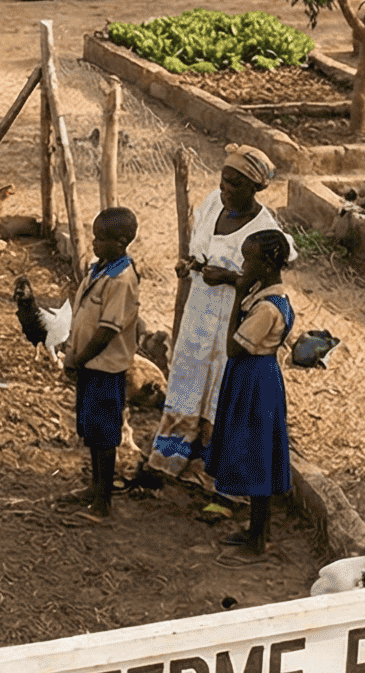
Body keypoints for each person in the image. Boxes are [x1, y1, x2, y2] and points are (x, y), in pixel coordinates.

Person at [145, 143, 283, 490]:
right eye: (223, 182)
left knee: (222, 388)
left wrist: (229, 279)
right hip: (199, 312)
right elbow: (200, 250)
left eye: (235, 185)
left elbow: (268, 278)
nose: (225, 191)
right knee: (188, 377)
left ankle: (211, 469)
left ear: (255, 188)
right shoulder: (211, 205)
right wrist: (189, 265)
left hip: (232, 323)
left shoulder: (265, 230)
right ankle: (173, 457)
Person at [208, 229, 297, 557]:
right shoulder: (269, 295)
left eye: (249, 259)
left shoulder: (267, 308)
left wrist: (236, 295)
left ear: (267, 263)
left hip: (255, 380)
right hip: (255, 376)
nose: (243, 266)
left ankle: (258, 541)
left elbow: (233, 347)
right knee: (255, 452)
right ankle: (257, 531)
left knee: (258, 456)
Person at [62, 208, 144, 518]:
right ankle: (96, 487)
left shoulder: (121, 280)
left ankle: (103, 502)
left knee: (105, 433)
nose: (94, 244)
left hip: (104, 368)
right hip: (89, 365)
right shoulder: (100, 270)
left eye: (100, 239)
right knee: (92, 430)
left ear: (121, 242)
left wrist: (79, 359)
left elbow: (107, 330)